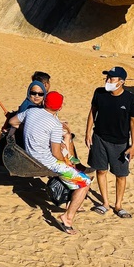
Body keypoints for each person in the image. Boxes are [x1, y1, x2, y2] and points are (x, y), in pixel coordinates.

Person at [9, 91, 91, 235]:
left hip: (31, 154)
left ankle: (72, 202)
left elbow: (13, 122)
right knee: (85, 182)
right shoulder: (54, 124)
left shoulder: (32, 112)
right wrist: (66, 162)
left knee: (72, 164)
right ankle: (68, 218)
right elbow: (55, 153)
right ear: (59, 107)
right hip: (48, 161)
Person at [85, 66, 134, 219]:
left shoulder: (131, 99)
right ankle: (105, 203)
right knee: (101, 170)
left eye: (112, 78)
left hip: (121, 143)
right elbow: (92, 111)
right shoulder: (99, 93)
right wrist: (88, 132)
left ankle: (118, 205)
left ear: (121, 82)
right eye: (107, 78)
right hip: (100, 138)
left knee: (121, 175)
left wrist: (133, 145)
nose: (108, 81)